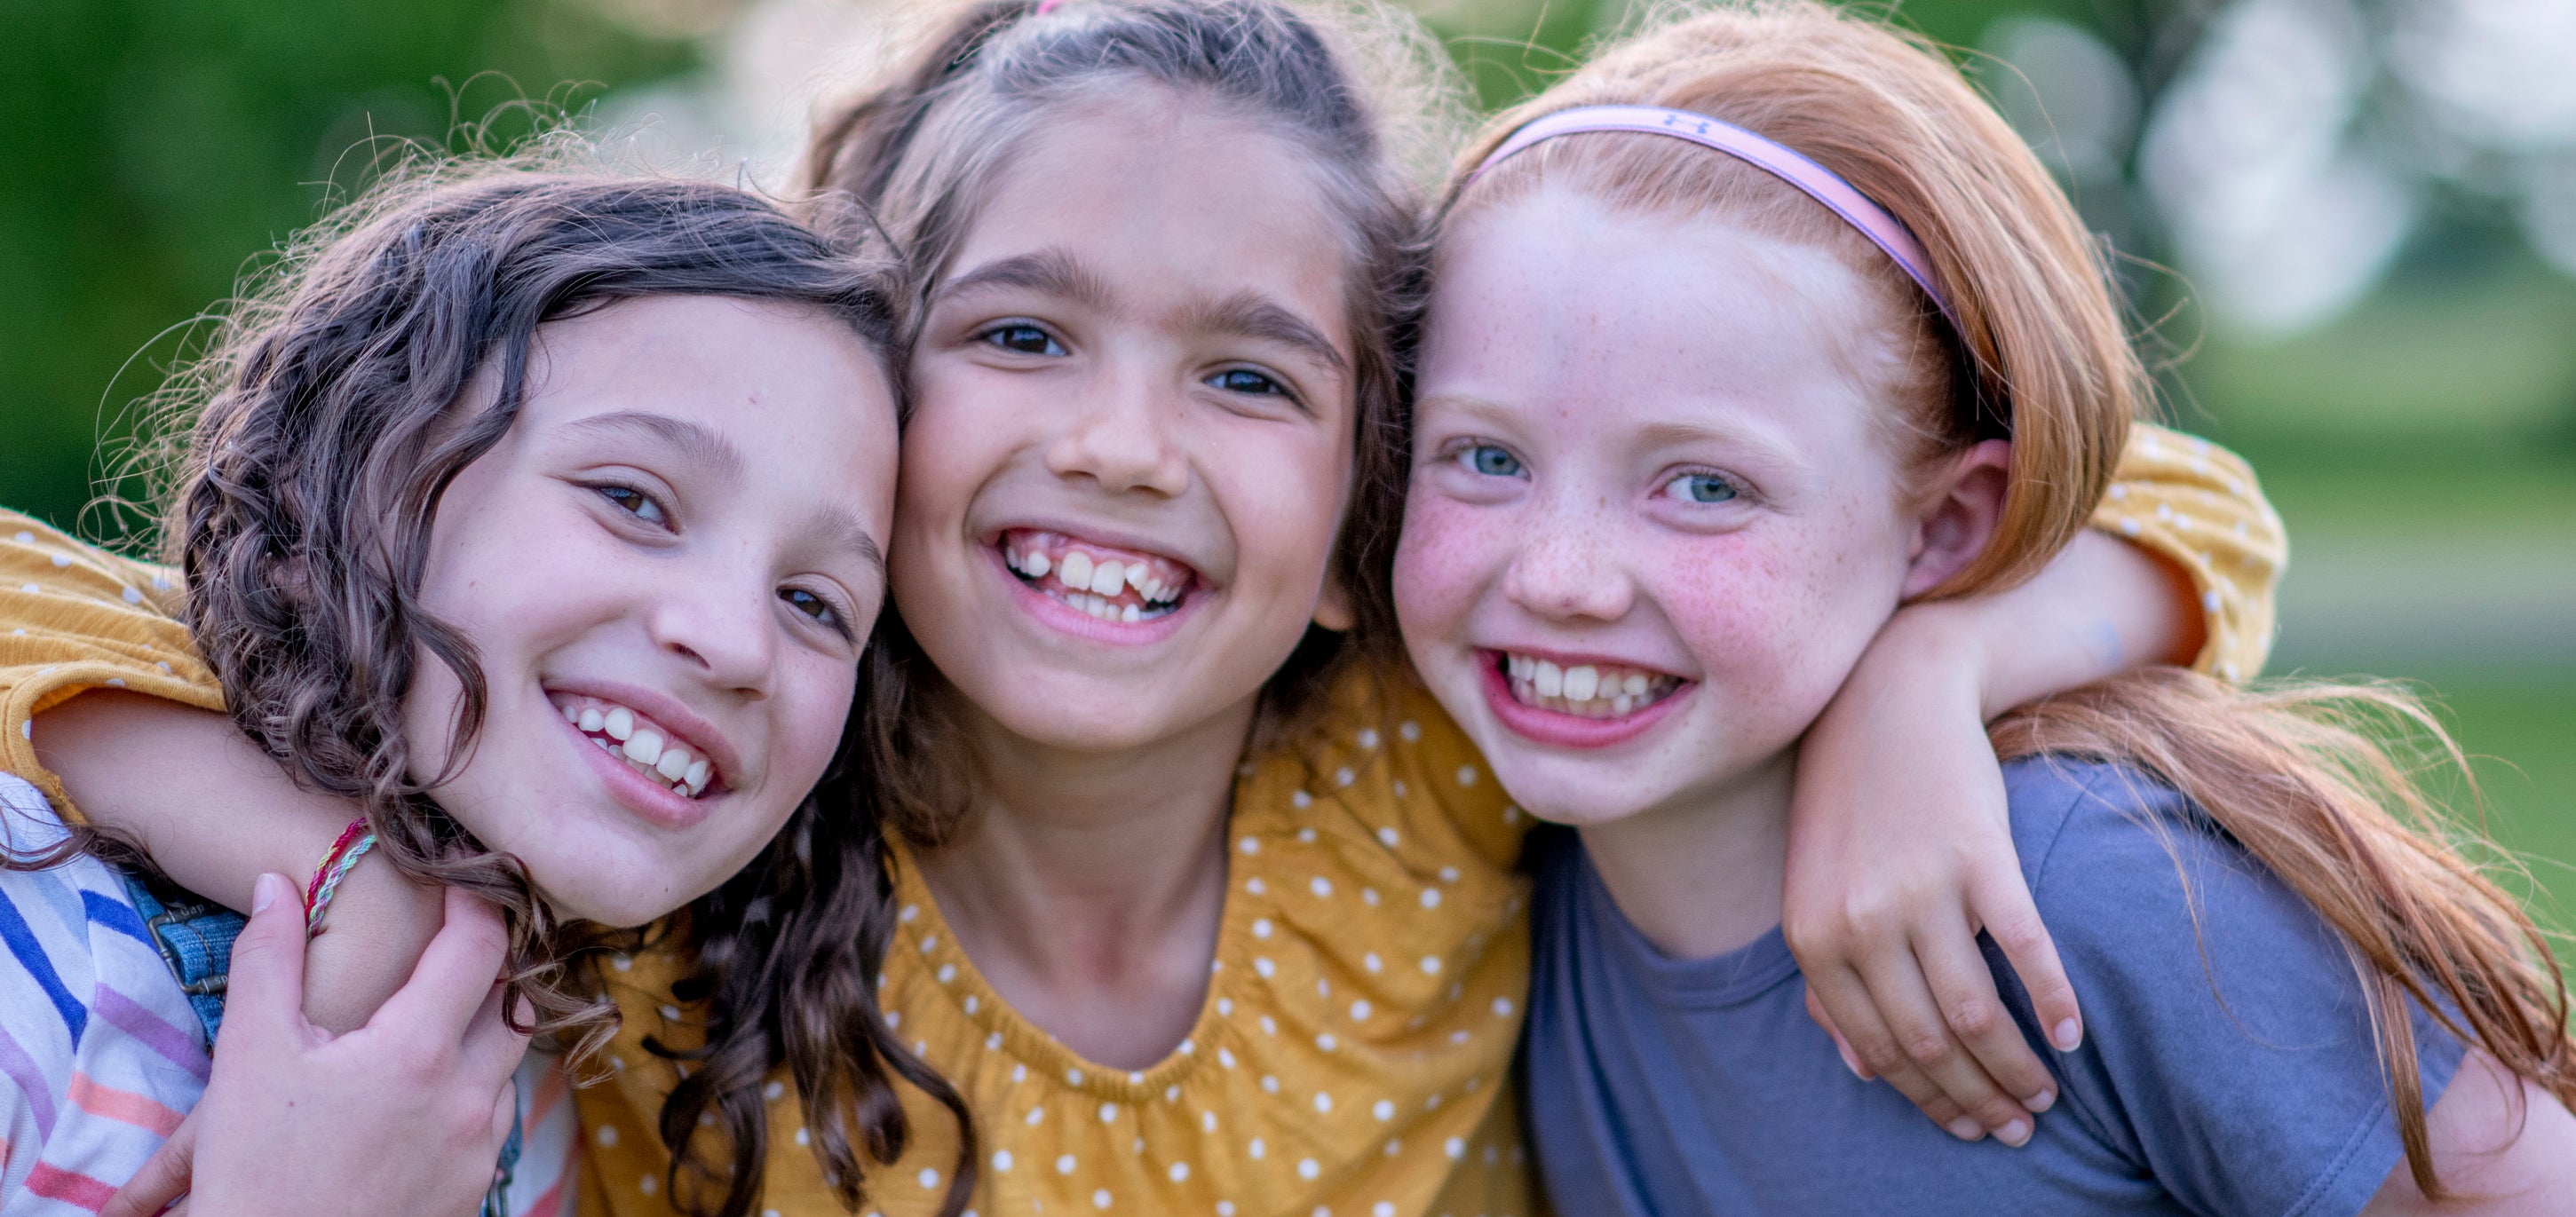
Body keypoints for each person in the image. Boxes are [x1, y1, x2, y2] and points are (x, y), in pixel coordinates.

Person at [4, 3, 2284, 1213]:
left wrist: (1922, 677)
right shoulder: (689, 800)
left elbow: (2174, 494)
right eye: (1015, 335)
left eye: (1245, 372)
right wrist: (362, 869)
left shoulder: (1445, 731)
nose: (1117, 440)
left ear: (1364, 489)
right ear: (863, 406)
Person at [1390, 3, 2576, 1212]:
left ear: (1947, 525)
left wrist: (1932, 669)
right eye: (1484, 457)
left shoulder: (2099, 884)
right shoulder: (1471, 872)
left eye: (1704, 486)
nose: (1559, 577)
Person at [0, 159, 911, 1215]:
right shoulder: (37, 949)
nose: (737, 643)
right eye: (633, 499)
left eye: (816, 604)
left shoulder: (560, 1106)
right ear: (344, 474)